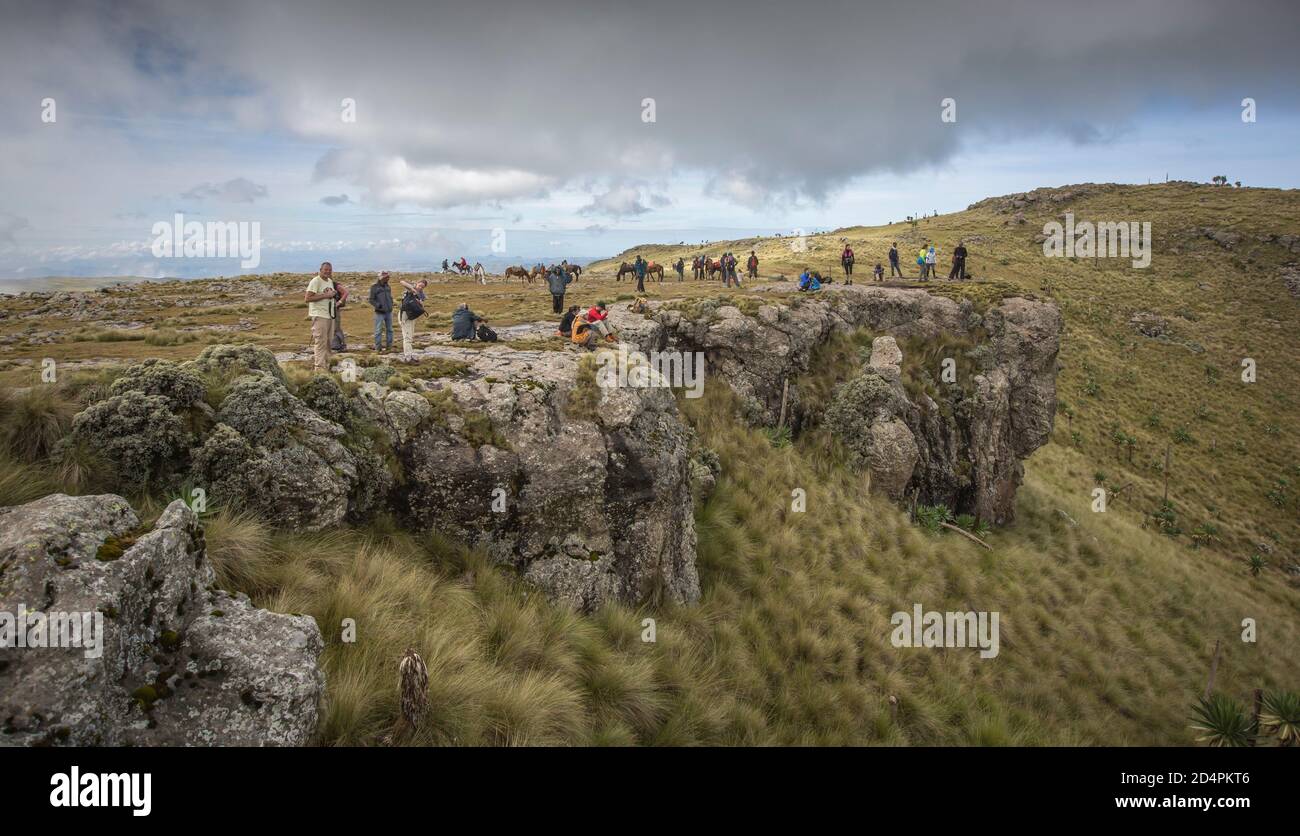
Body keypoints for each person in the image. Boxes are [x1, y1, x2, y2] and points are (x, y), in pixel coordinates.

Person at [304, 262, 338, 373]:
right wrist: (326, 295)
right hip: (319, 316)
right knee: (320, 341)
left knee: (328, 341)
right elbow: (307, 298)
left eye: (329, 270)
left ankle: (327, 364)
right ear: (320, 270)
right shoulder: (315, 281)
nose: (328, 271)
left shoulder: (329, 281)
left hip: (329, 315)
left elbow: (329, 295)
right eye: (325, 270)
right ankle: (319, 368)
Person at [397, 278, 427, 356]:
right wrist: (412, 289)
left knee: (410, 336)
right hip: (404, 314)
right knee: (407, 337)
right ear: (417, 283)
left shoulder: (422, 295)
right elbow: (402, 282)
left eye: (422, 287)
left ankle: (410, 354)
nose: (420, 288)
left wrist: (420, 303)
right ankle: (408, 356)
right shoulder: (410, 290)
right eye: (420, 285)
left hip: (412, 316)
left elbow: (422, 305)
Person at [368, 271, 394, 353]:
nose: (388, 278)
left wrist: (391, 303)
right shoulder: (374, 287)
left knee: (390, 329)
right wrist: (378, 305)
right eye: (386, 277)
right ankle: (378, 348)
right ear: (381, 278)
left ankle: (389, 347)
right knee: (378, 330)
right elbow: (371, 300)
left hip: (389, 312)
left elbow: (390, 297)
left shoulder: (388, 286)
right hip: (379, 312)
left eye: (388, 277)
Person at [330, 276, 350, 352]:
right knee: (332, 327)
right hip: (328, 310)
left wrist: (339, 302)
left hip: (334, 309)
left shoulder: (334, 285)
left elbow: (346, 292)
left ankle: (339, 345)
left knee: (336, 327)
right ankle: (334, 345)